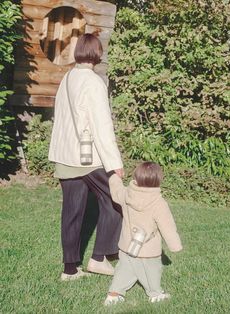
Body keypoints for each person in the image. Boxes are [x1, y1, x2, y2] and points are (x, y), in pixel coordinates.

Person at [48, 33, 124, 281]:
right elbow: (102, 126)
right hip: (87, 157)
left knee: (71, 213)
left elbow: (61, 119)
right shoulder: (93, 82)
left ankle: (70, 270)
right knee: (115, 201)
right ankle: (99, 258)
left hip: (65, 155)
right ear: (97, 53)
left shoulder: (67, 78)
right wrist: (115, 164)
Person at [104, 162, 183, 305]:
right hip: (149, 249)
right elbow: (167, 226)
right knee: (152, 271)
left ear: (136, 177)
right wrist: (175, 245)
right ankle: (155, 293)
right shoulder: (159, 203)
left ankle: (114, 293)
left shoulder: (127, 194)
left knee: (123, 269)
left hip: (127, 245)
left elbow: (116, 191)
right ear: (158, 180)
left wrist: (114, 176)